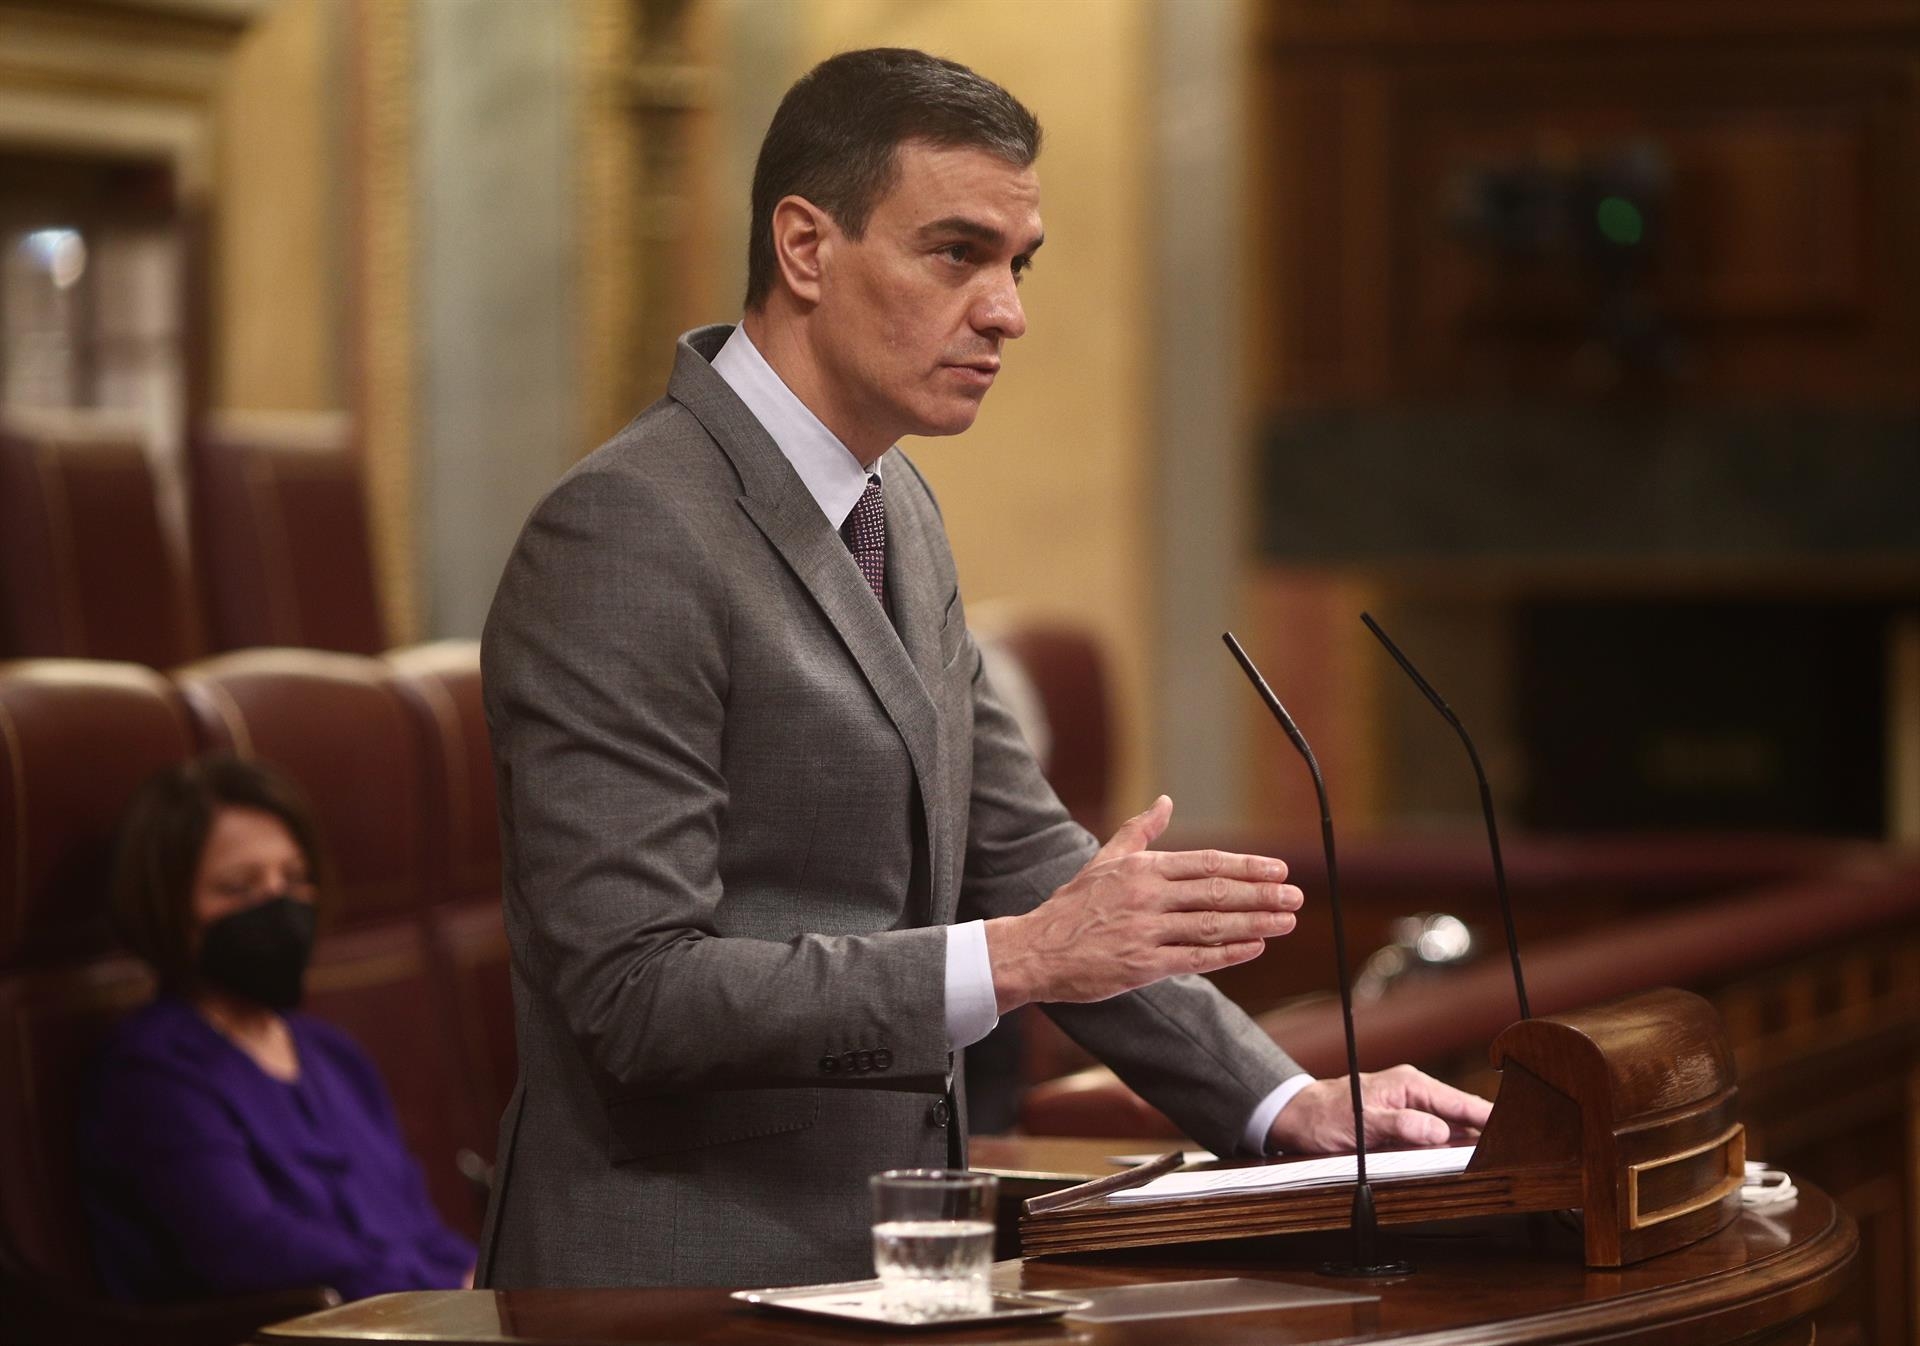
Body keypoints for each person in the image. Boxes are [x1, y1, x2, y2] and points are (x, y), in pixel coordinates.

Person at [478, 46, 1488, 1289]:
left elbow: (1023, 855)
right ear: (805, 247)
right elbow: (635, 992)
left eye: (1019, 265)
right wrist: (1016, 958)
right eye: (956, 253)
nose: (1006, 308)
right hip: (675, 1283)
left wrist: (1282, 1105)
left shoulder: (896, 502)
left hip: (887, 1267)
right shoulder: (627, 529)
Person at [80, 757, 475, 1303]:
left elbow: (420, 1229)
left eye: (293, 879)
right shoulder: (150, 1071)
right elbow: (248, 1247)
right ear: (169, 911)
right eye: (240, 888)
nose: (278, 905)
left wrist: (487, 1285)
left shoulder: (334, 1055)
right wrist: (439, 1296)